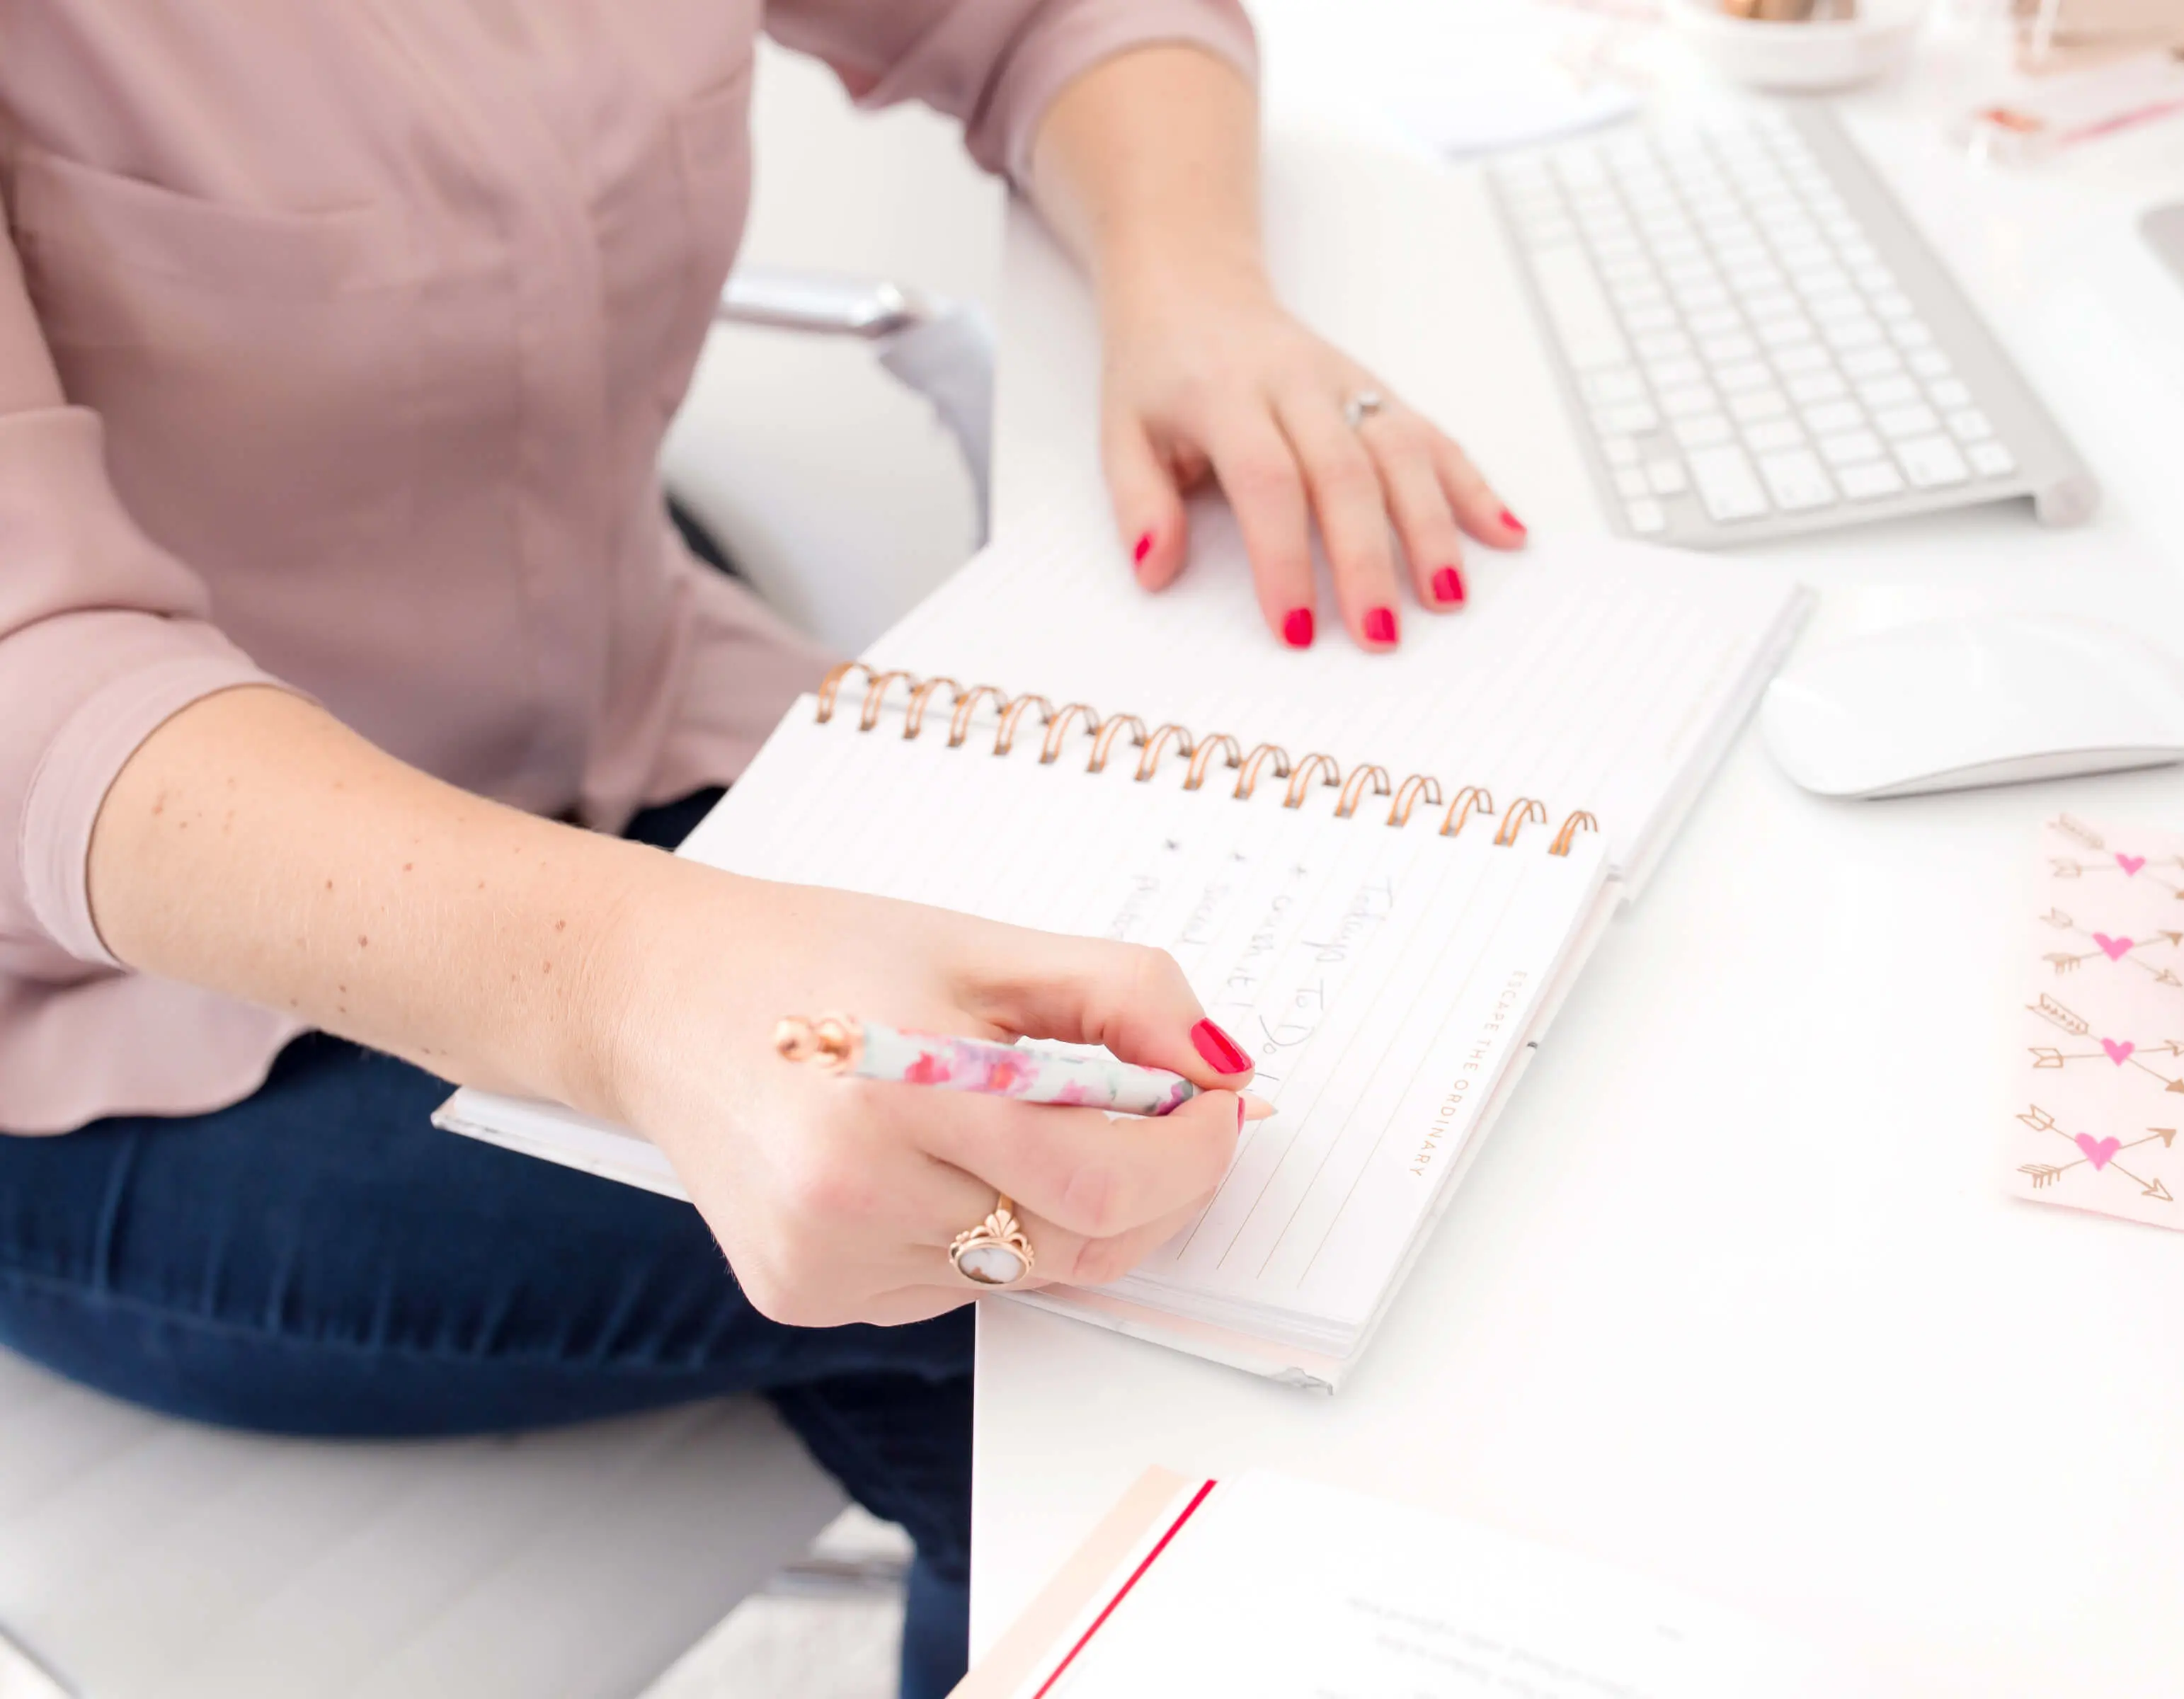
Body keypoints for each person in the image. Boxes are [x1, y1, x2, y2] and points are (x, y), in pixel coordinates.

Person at [0, 5, 1522, 1694]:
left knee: (1189, 1118)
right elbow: (30, 694)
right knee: (1069, 1302)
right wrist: (640, 984)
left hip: (632, 723)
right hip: (115, 1024)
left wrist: (1193, 289)